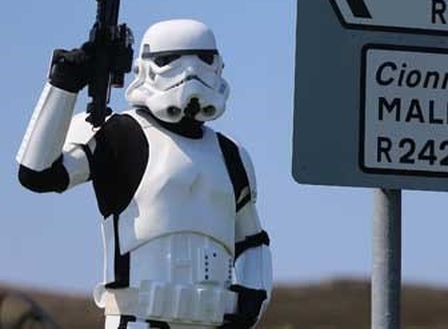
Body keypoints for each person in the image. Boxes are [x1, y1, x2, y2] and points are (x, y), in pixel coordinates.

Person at [16, 19, 272, 329]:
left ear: (217, 65)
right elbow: (38, 174)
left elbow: (252, 240)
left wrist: (252, 301)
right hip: (138, 319)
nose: (190, 74)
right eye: (169, 61)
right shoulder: (117, 134)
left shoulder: (231, 155)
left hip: (214, 320)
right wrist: (63, 85)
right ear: (147, 68)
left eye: (203, 60)